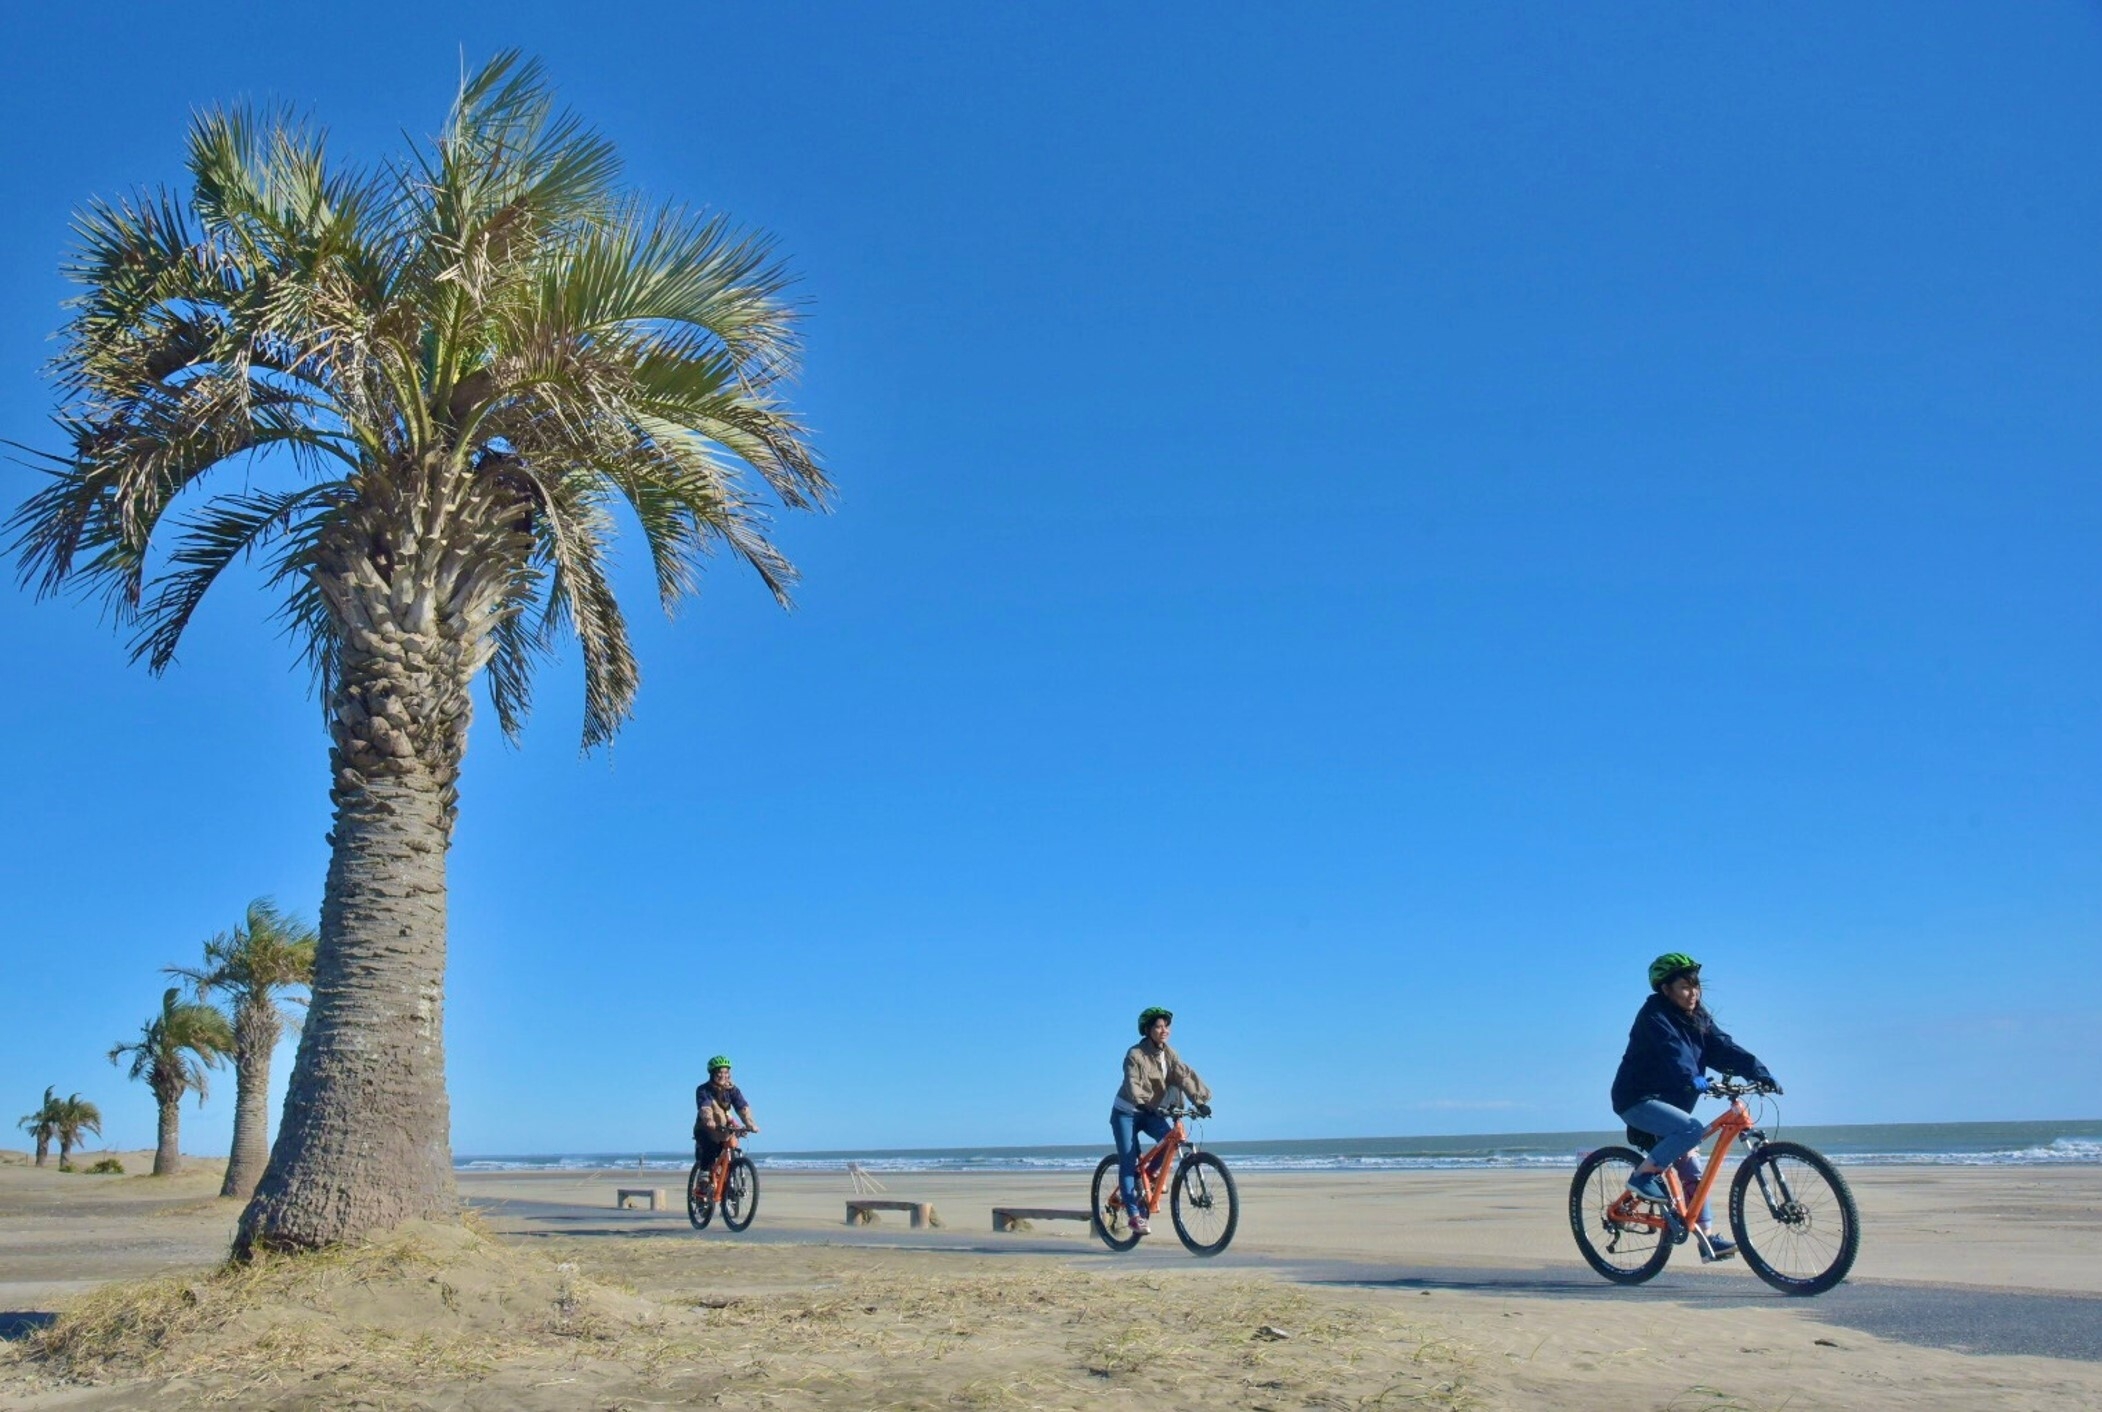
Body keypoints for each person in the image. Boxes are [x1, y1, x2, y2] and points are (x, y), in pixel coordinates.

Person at [1610, 953, 1779, 1262]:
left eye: (1696, 986)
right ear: (1665, 989)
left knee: (1693, 1170)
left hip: (1673, 1104)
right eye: (1685, 987)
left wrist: (1758, 1071)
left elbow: (1723, 1047)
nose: (1693, 993)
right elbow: (1672, 1050)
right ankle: (1642, 1177)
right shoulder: (1653, 1016)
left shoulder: (1697, 1016)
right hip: (1637, 1099)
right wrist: (1693, 1077)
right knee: (1690, 1129)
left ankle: (1707, 1240)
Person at [1112, 1006, 1213, 1236]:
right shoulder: (1134, 1054)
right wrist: (1143, 1103)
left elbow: (1183, 1076)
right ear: (1148, 1030)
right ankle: (1134, 1214)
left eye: (1166, 1026)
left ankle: (1149, 1174)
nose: (1164, 1030)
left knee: (1169, 1140)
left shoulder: (1170, 1054)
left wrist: (1199, 1102)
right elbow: (1132, 1082)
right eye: (1158, 1026)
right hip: (1127, 1112)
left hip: (1150, 1111)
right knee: (1128, 1162)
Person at [693, 1055, 759, 1192]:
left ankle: (728, 1182)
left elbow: (742, 1107)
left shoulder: (733, 1090)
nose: (723, 1075)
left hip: (724, 1129)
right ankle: (704, 1174)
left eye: (726, 1072)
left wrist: (750, 1123)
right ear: (712, 1074)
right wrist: (708, 1120)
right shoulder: (703, 1090)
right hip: (706, 1128)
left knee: (734, 1148)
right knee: (710, 1149)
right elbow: (705, 1107)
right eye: (719, 1072)